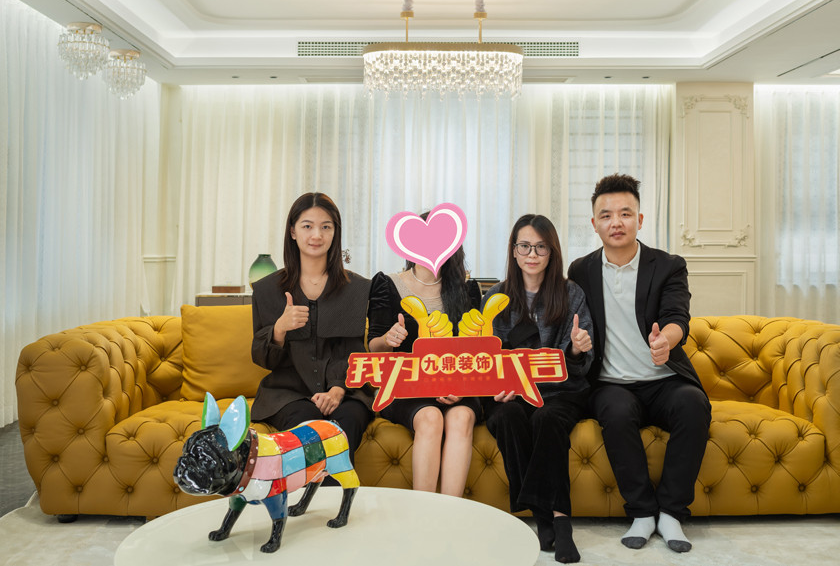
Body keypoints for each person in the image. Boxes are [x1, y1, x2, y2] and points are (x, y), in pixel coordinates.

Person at [567, 173, 711, 553]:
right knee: (615, 413)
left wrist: (666, 341)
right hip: (611, 383)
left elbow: (678, 317)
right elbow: (574, 323)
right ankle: (643, 512)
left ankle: (672, 513)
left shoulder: (668, 266)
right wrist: (577, 344)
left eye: (625, 213)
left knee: (693, 404)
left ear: (640, 220)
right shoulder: (580, 271)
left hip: (663, 379)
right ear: (594, 223)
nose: (616, 222)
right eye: (606, 215)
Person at [482, 214, 593, 564]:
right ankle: (544, 516)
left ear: (552, 251)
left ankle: (558, 522)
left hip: (560, 391)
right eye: (525, 246)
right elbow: (486, 356)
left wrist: (577, 349)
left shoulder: (571, 293)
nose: (532, 254)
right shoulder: (495, 297)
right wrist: (504, 385)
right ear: (514, 251)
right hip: (511, 393)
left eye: (541, 247)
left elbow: (579, 364)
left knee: (547, 419)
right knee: (507, 418)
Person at [250, 192, 373, 461]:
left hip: (346, 392)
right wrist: (279, 329)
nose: (317, 235)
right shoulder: (267, 289)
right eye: (307, 226)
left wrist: (338, 389)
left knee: (348, 420)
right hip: (288, 395)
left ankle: (326, 488)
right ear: (293, 232)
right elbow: (262, 358)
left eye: (326, 227)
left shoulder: (357, 288)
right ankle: (329, 488)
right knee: (308, 425)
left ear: (335, 233)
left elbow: (354, 352)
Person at [367, 231, 482, 497]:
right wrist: (388, 338)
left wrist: (461, 386)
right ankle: (424, 511)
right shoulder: (387, 284)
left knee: (461, 417)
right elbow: (374, 346)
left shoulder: (467, 289)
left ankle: (452, 512)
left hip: (458, 386)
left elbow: (476, 353)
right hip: (406, 387)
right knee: (430, 417)